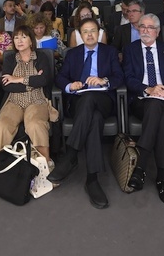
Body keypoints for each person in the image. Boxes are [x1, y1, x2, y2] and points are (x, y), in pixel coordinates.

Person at [49, 18, 124, 209]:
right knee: (94, 119)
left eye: (93, 31)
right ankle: (92, 180)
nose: (89, 35)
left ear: (98, 33)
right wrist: (69, 85)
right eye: (85, 32)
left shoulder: (109, 52)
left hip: (103, 99)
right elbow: (60, 77)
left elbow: (119, 76)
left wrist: (103, 80)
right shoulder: (72, 54)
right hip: (79, 101)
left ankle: (72, 154)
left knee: (91, 100)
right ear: (80, 36)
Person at [122, 14, 164, 207]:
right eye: (142, 27)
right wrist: (148, 89)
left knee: (158, 106)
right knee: (161, 118)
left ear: (157, 32)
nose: (146, 30)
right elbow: (128, 77)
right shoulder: (130, 50)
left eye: (150, 27)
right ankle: (162, 178)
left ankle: (140, 168)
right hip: (142, 99)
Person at [0, 26, 56, 167]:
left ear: (31, 41)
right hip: (14, 101)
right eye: (16, 37)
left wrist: (18, 79)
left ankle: (45, 163)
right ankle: (1, 163)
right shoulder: (9, 59)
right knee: (2, 125)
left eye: (23, 37)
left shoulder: (42, 57)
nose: (19, 40)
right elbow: (6, 85)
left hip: (37, 100)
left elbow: (44, 80)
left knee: (35, 124)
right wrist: (32, 81)